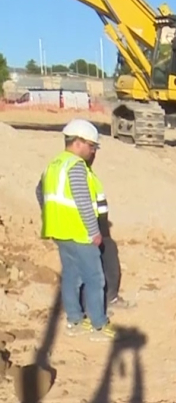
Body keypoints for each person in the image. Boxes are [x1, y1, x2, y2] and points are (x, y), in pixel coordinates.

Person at [35, 119, 115, 340]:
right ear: (78, 142)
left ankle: (75, 320)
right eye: (91, 146)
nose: (92, 152)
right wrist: (94, 231)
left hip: (59, 231)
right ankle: (98, 326)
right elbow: (81, 200)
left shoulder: (54, 164)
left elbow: (39, 191)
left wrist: (49, 215)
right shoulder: (76, 166)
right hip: (79, 233)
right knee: (95, 278)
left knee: (72, 275)